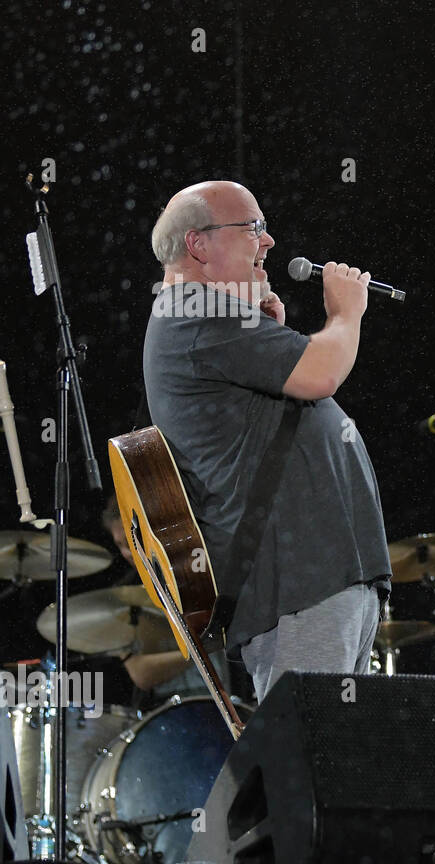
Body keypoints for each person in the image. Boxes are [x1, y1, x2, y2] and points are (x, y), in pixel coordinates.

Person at [142, 181, 391, 703]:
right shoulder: (189, 309)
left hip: (322, 580)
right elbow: (321, 372)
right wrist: (346, 313)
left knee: (327, 771)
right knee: (300, 770)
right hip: (297, 584)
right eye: (252, 227)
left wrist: (263, 331)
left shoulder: (203, 316)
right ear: (198, 245)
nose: (269, 240)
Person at [99, 500, 229, 707]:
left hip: (228, 700)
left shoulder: (197, 571)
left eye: (130, 541)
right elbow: (141, 674)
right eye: (119, 545)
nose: (126, 552)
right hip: (167, 710)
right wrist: (204, 648)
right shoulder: (124, 596)